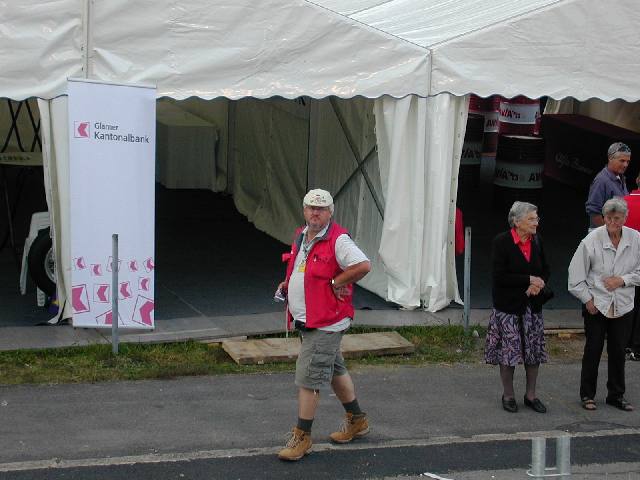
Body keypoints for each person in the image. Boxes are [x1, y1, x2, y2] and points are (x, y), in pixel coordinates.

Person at [275, 188, 371, 461]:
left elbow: (363, 265)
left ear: (330, 212)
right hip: (310, 318)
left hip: (325, 321)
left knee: (308, 378)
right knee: (334, 369)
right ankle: (357, 420)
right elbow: (301, 267)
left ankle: (302, 437)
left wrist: (337, 282)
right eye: (311, 207)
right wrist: (288, 284)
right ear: (304, 210)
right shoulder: (302, 235)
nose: (315, 213)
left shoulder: (338, 240)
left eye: (321, 209)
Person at [568, 197, 640, 412]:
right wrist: (587, 300)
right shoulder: (591, 240)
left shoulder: (635, 238)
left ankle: (616, 395)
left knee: (618, 351)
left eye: (617, 218)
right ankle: (587, 395)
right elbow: (575, 277)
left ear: (625, 218)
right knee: (593, 350)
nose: (612, 223)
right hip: (596, 304)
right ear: (603, 217)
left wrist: (622, 280)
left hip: (623, 304)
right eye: (608, 218)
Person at [485, 201, 550, 414]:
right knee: (509, 353)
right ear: (517, 221)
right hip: (509, 308)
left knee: (533, 353)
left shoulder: (537, 241)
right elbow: (499, 276)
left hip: (532, 307)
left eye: (536, 218)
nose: (536, 222)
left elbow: (546, 269)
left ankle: (531, 395)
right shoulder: (501, 242)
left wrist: (538, 284)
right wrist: (528, 280)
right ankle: (508, 395)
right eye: (531, 219)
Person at [585, 142, 631, 229]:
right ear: (610, 158)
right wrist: (608, 233)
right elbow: (594, 213)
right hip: (603, 234)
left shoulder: (621, 178)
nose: (625, 165)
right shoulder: (601, 181)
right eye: (622, 161)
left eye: (627, 161)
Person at [623, 177, 640, 361]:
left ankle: (625, 343)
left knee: (628, 301)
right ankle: (636, 346)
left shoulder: (623, 202)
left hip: (623, 260)